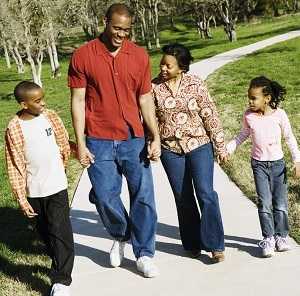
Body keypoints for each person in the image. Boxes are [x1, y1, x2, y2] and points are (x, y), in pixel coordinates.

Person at [68, 3, 160, 277]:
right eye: (117, 28)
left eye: (126, 30)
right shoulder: (83, 55)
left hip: (134, 138)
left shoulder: (139, 56)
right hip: (98, 138)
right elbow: (78, 100)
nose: (121, 34)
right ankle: (122, 235)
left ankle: (144, 253)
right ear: (105, 21)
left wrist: (154, 135)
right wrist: (81, 143)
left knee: (143, 196)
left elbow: (145, 98)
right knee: (106, 196)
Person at [152, 43, 227, 263]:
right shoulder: (153, 87)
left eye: (168, 65)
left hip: (199, 145)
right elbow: (151, 120)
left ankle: (215, 244)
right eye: (162, 64)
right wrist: (152, 143)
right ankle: (193, 243)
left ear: (181, 67)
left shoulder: (196, 84)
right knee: (183, 197)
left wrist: (220, 145)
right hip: (170, 150)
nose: (163, 68)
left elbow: (209, 115)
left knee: (205, 193)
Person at [4, 81, 74, 296]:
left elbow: (63, 142)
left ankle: (61, 279)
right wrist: (21, 199)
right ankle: (58, 257)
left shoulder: (50, 116)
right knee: (45, 232)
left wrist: (72, 154)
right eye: (37, 101)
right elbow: (14, 165)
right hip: (34, 189)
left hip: (57, 185)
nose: (43, 103)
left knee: (59, 229)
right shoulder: (14, 128)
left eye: (43, 98)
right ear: (24, 104)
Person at [227, 76, 300, 258]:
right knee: (264, 203)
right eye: (249, 98)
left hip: (278, 165)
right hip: (259, 165)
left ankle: (281, 236)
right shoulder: (249, 116)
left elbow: (290, 138)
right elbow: (242, 135)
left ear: (266, 98)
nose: (250, 102)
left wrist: (297, 161)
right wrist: (229, 148)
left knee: (280, 204)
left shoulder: (280, 115)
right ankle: (268, 238)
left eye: (254, 98)